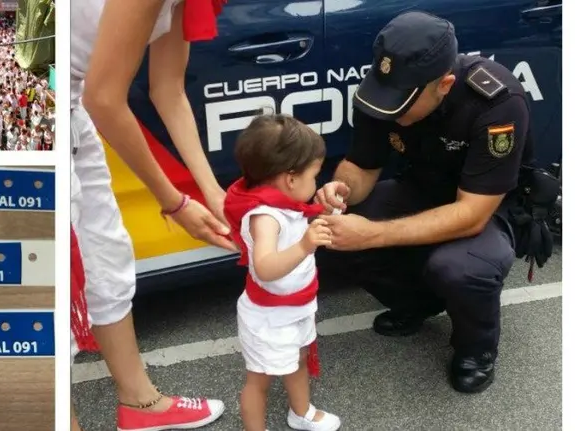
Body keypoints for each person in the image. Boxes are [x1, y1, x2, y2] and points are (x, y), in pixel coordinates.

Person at [313, 11, 535, 393]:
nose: (390, 111)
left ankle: (475, 348)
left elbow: (471, 215)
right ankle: (417, 303)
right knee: (329, 233)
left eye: (401, 103)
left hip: (486, 206)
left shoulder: (496, 101)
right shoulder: (381, 92)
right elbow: (362, 167)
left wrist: (372, 235)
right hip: (419, 187)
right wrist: (340, 192)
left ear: (444, 84)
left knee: (458, 268)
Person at [70, 0, 234, 430]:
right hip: (55, 107)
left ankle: (140, 405)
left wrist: (212, 192)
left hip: (74, 112)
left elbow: (168, 90)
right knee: (59, 295)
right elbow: (104, 98)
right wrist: (175, 202)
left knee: (107, 256)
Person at [223, 114, 342, 431]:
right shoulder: (265, 217)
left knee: (299, 359)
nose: (316, 182)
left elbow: (308, 215)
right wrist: (304, 246)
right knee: (258, 381)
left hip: (295, 307)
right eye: (315, 175)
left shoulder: (285, 203)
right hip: (268, 318)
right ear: (290, 179)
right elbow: (265, 267)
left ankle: (300, 412)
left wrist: (331, 202)